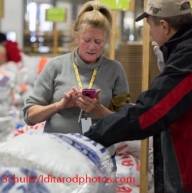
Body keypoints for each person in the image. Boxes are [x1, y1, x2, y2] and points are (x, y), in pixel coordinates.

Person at [84, 0, 192, 192]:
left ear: (164, 26)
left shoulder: (190, 57)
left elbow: (152, 112)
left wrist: (90, 138)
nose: (150, 33)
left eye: (150, 26)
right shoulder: (184, 51)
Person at [23, 1, 130, 160]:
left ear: (106, 40)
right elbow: (29, 116)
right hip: (57, 156)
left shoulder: (115, 70)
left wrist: (99, 110)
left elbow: (125, 124)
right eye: (86, 40)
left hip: (99, 157)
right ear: (76, 35)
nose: (92, 47)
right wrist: (59, 105)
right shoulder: (55, 66)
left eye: (98, 41)